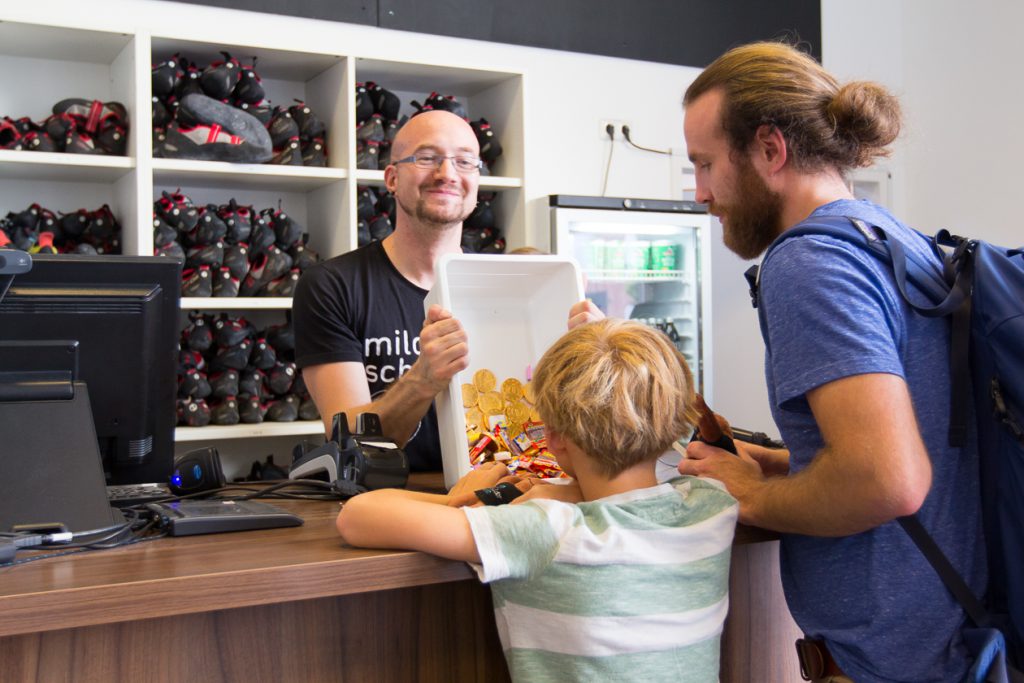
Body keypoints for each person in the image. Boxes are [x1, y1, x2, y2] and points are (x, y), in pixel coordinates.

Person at [676, 41, 986, 682]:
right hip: (955, 644)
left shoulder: (808, 261)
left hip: (894, 664)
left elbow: (889, 480)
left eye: (705, 165)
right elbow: (918, 442)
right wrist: (785, 462)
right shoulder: (890, 238)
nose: (701, 193)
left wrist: (756, 494)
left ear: (770, 148)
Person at [336, 318, 738, 682]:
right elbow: (656, 481)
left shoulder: (545, 528)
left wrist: (466, 497)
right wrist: (568, 490)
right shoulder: (712, 505)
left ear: (555, 440)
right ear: (675, 425)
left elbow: (358, 516)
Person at [293, 110, 599, 470]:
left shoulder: (512, 289)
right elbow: (349, 443)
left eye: (464, 162)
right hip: (391, 505)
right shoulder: (332, 286)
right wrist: (424, 378)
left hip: (508, 493)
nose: (447, 174)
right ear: (392, 178)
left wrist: (592, 359)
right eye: (427, 158)